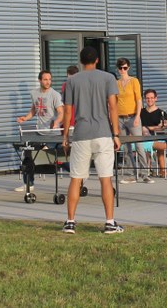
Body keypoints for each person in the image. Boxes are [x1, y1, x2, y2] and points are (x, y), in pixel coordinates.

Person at [61, 47, 123, 234]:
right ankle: (109, 223)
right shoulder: (108, 78)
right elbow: (113, 107)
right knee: (105, 179)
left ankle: (70, 222)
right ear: (97, 60)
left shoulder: (72, 81)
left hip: (81, 134)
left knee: (76, 179)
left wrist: (65, 136)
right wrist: (116, 134)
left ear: (81, 61)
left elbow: (68, 111)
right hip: (103, 133)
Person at [14, 70, 64, 193]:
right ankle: (29, 184)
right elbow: (34, 110)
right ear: (40, 80)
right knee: (28, 154)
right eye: (45, 79)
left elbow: (61, 112)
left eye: (50, 79)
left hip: (53, 135)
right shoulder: (34, 93)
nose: (48, 82)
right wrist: (25, 118)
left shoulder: (55, 95)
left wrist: (56, 122)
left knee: (58, 159)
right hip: (40, 133)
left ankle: (78, 175)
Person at [114, 57, 150, 184]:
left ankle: (145, 174)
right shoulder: (116, 83)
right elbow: (114, 102)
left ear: (128, 68)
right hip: (120, 117)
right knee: (126, 147)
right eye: (120, 68)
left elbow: (139, 100)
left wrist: (138, 116)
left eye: (124, 68)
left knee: (139, 145)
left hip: (133, 116)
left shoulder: (134, 81)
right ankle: (131, 174)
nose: (122, 70)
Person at [140, 89, 167, 177]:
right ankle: (152, 169)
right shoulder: (141, 112)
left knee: (160, 143)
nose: (149, 100)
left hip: (157, 138)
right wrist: (155, 127)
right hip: (144, 139)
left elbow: (163, 127)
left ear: (156, 98)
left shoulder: (161, 113)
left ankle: (162, 171)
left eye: (152, 98)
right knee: (148, 144)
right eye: (147, 98)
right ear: (145, 99)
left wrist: (148, 128)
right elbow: (139, 128)